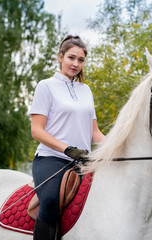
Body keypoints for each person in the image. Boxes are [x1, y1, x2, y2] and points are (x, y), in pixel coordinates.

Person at [29, 35, 105, 240]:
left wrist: (118, 146)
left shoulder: (86, 90)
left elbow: (94, 133)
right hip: (51, 159)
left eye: (80, 60)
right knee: (52, 200)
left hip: (83, 161)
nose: (76, 64)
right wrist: (67, 149)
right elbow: (36, 130)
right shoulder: (46, 86)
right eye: (71, 57)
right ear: (60, 57)